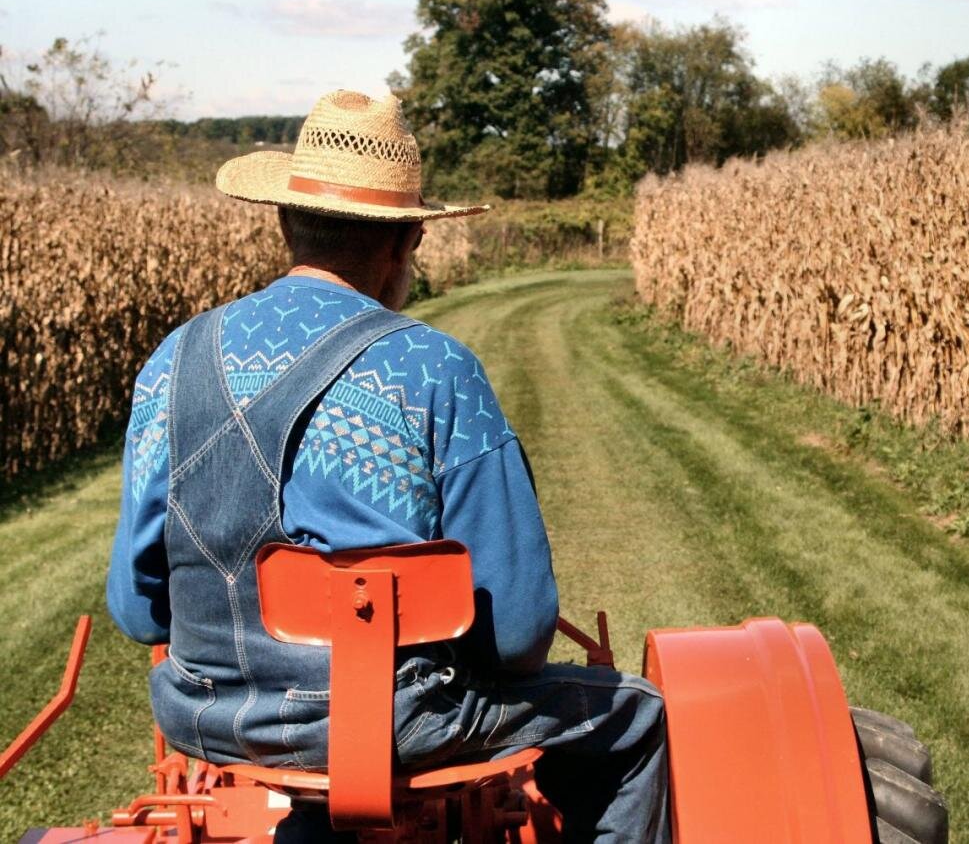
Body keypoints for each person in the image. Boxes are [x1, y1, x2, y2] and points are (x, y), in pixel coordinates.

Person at [105, 89, 670, 842]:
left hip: (205, 715)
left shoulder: (172, 362)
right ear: (407, 242)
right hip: (393, 725)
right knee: (636, 718)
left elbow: (137, 609)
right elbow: (520, 633)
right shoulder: (433, 370)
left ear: (286, 223)